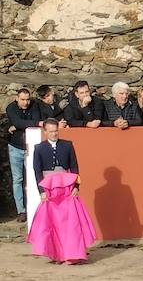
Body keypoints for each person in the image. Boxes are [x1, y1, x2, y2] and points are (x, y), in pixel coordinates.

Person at [27, 119, 94, 265]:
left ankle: (71, 254)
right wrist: (41, 191)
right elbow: (37, 171)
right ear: (45, 132)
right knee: (53, 222)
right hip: (49, 189)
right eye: (50, 131)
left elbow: (75, 168)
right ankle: (57, 254)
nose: (54, 133)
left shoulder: (67, 145)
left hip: (66, 187)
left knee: (70, 222)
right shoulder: (39, 148)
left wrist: (76, 187)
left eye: (56, 130)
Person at [5, 87, 42, 221]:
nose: (25, 102)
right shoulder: (11, 108)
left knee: (33, 178)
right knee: (18, 179)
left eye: (27, 99)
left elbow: (31, 124)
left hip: (30, 147)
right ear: (17, 98)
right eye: (22, 100)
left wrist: (20, 126)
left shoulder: (35, 106)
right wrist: (26, 124)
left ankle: (35, 207)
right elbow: (19, 122)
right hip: (15, 147)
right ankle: (21, 210)